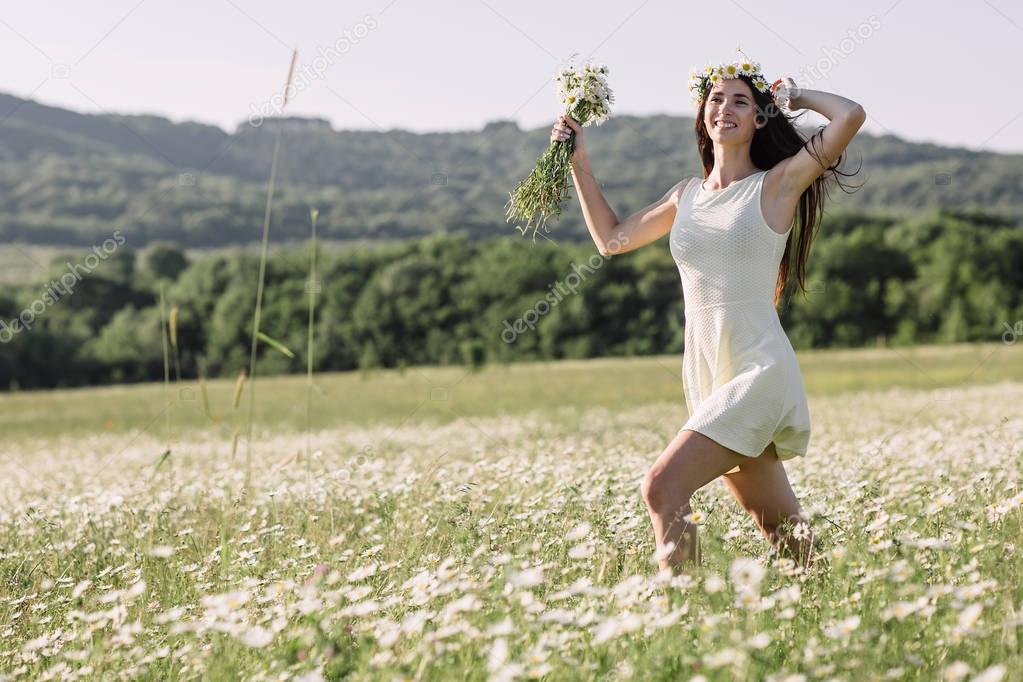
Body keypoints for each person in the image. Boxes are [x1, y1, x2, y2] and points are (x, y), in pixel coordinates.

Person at [550, 55, 865, 573]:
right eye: (715, 99)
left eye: (741, 100)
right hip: (709, 372)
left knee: (662, 485)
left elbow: (850, 116)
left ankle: (682, 620)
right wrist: (579, 159)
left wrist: (796, 97)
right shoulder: (685, 196)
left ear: (759, 118)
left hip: (758, 369)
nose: (725, 107)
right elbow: (611, 239)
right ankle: (839, 605)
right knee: (781, 530)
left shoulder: (778, 184)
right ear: (702, 116)